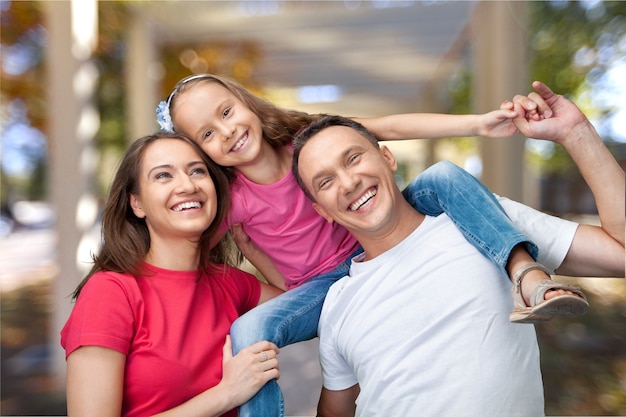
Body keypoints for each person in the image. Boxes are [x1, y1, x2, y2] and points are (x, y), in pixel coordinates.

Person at [156, 74, 613, 416]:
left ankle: (525, 273)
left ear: (244, 100)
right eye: (207, 135)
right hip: (325, 288)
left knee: (440, 178)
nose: (227, 131)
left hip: (371, 242)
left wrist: (477, 124)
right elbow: (183, 242)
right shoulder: (232, 199)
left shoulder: (304, 137)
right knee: (248, 333)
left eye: (226, 112)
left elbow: (391, 125)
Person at [291, 83, 625, 416]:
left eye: (353, 158)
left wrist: (576, 133)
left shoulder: (487, 222)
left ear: (387, 157)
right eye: (325, 181)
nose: (349, 183)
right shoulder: (336, 304)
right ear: (321, 210)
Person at [60, 133, 284, 417]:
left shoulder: (228, 282)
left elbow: (299, 305)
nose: (188, 185)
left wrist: (254, 250)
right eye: (163, 176)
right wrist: (227, 393)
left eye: (197, 171)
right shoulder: (111, 291)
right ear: (136, 204)